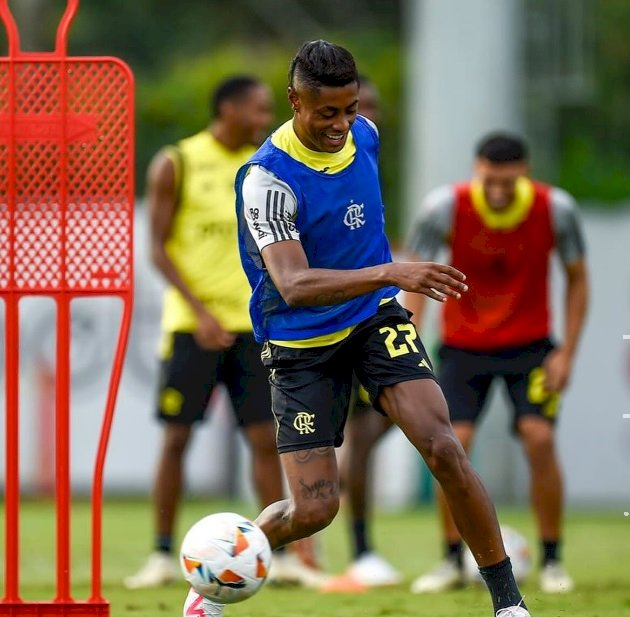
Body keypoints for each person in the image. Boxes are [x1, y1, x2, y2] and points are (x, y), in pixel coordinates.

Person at [183, 41, 532, 617]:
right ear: (295, 101)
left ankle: (509, 604)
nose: (342, 125)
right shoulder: (266, 179)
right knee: (316, 509)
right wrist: (392, 269)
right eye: (327, 113)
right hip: (300, 345)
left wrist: (385, 284)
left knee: (443, 446)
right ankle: (215, 572)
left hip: (373, 319)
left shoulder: (365, 135)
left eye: (350, 109)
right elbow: (293, 284)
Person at [125, 76, 323, 590]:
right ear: (228, 108)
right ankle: (163, 554)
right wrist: (201, 311)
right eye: (257, 110)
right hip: (193, 327)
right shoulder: (178, 161)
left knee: (264, 438)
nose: (264, 120)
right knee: (176, 437)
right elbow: (158, 249)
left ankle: (271, 553)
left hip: (253, 329)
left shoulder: (266, 165)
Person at [405, 133, 588, 595]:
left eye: (510, 181)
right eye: (491, 180)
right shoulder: (444, 208)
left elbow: (578, 279)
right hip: (463, 348)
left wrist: (566, 352)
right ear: (476, 169)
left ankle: (551, 560)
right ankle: (451, 561)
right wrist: (410, 343)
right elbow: (415, 275)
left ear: (524, 173)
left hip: (531, 348)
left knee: (539, 437)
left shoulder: (556, 209)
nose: (500, 191)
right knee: (451, 444)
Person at [320, 75, 401, 591]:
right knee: (342, 439)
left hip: (373, 318)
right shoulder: (300, 166)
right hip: (324, 325)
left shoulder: (366, 157)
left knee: (376, 431)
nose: (357, 121)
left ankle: (362, 547)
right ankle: (355, 547)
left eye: (365, 109)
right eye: (352, 109)